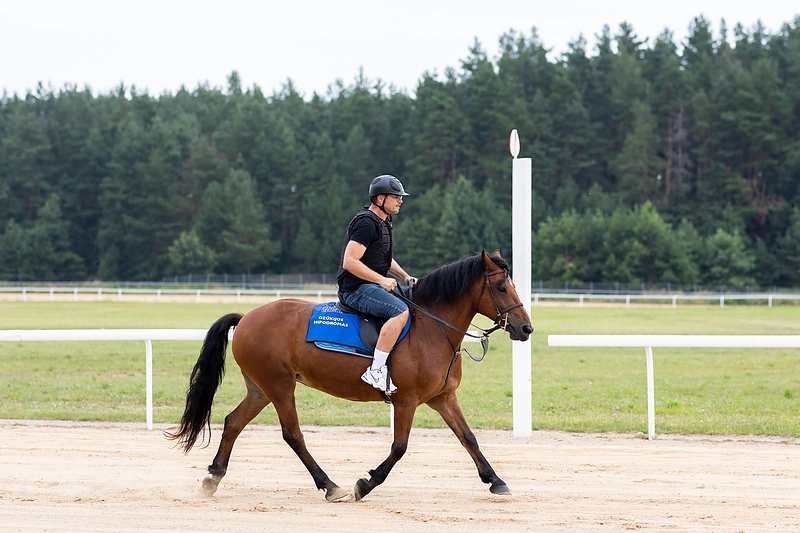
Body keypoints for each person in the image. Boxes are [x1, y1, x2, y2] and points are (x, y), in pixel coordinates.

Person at [336, 175, 417, 394]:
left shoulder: (383, 222)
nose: (400, 201)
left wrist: (405, 277)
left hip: (371, 286)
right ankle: (376, 369)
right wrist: (381, 280)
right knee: (400, 312)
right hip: (355, 289)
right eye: (396, 197)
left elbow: (384, 259)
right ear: (380, 198)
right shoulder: (366, 223)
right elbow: (350, 261)